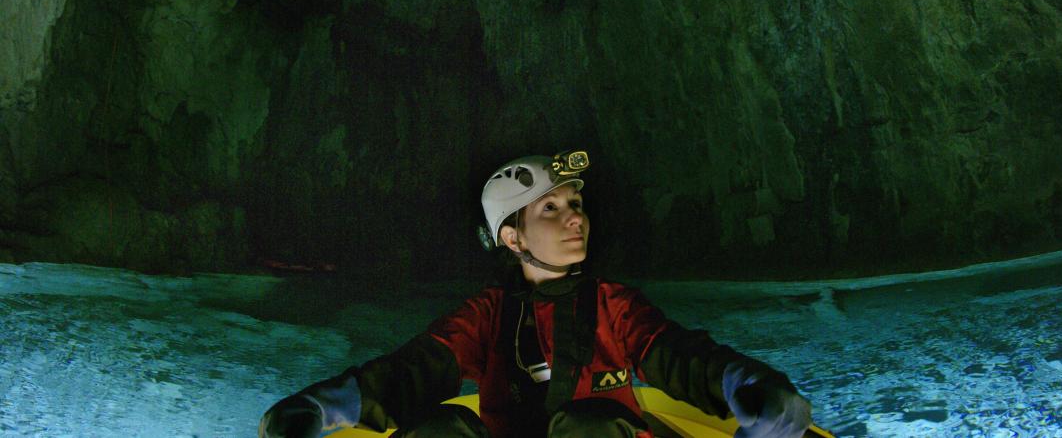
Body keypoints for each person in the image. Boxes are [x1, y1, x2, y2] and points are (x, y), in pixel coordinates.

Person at [259, 150, 812, 438]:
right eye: (551, 208)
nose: (574, 218)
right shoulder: (489, 314)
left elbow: (675, 353)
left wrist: (747, 381)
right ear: (512, 236)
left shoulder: (613, 304)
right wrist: (320, 407)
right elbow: (413, 371)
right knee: (443, 428)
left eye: (575, 205)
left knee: (589, 426)